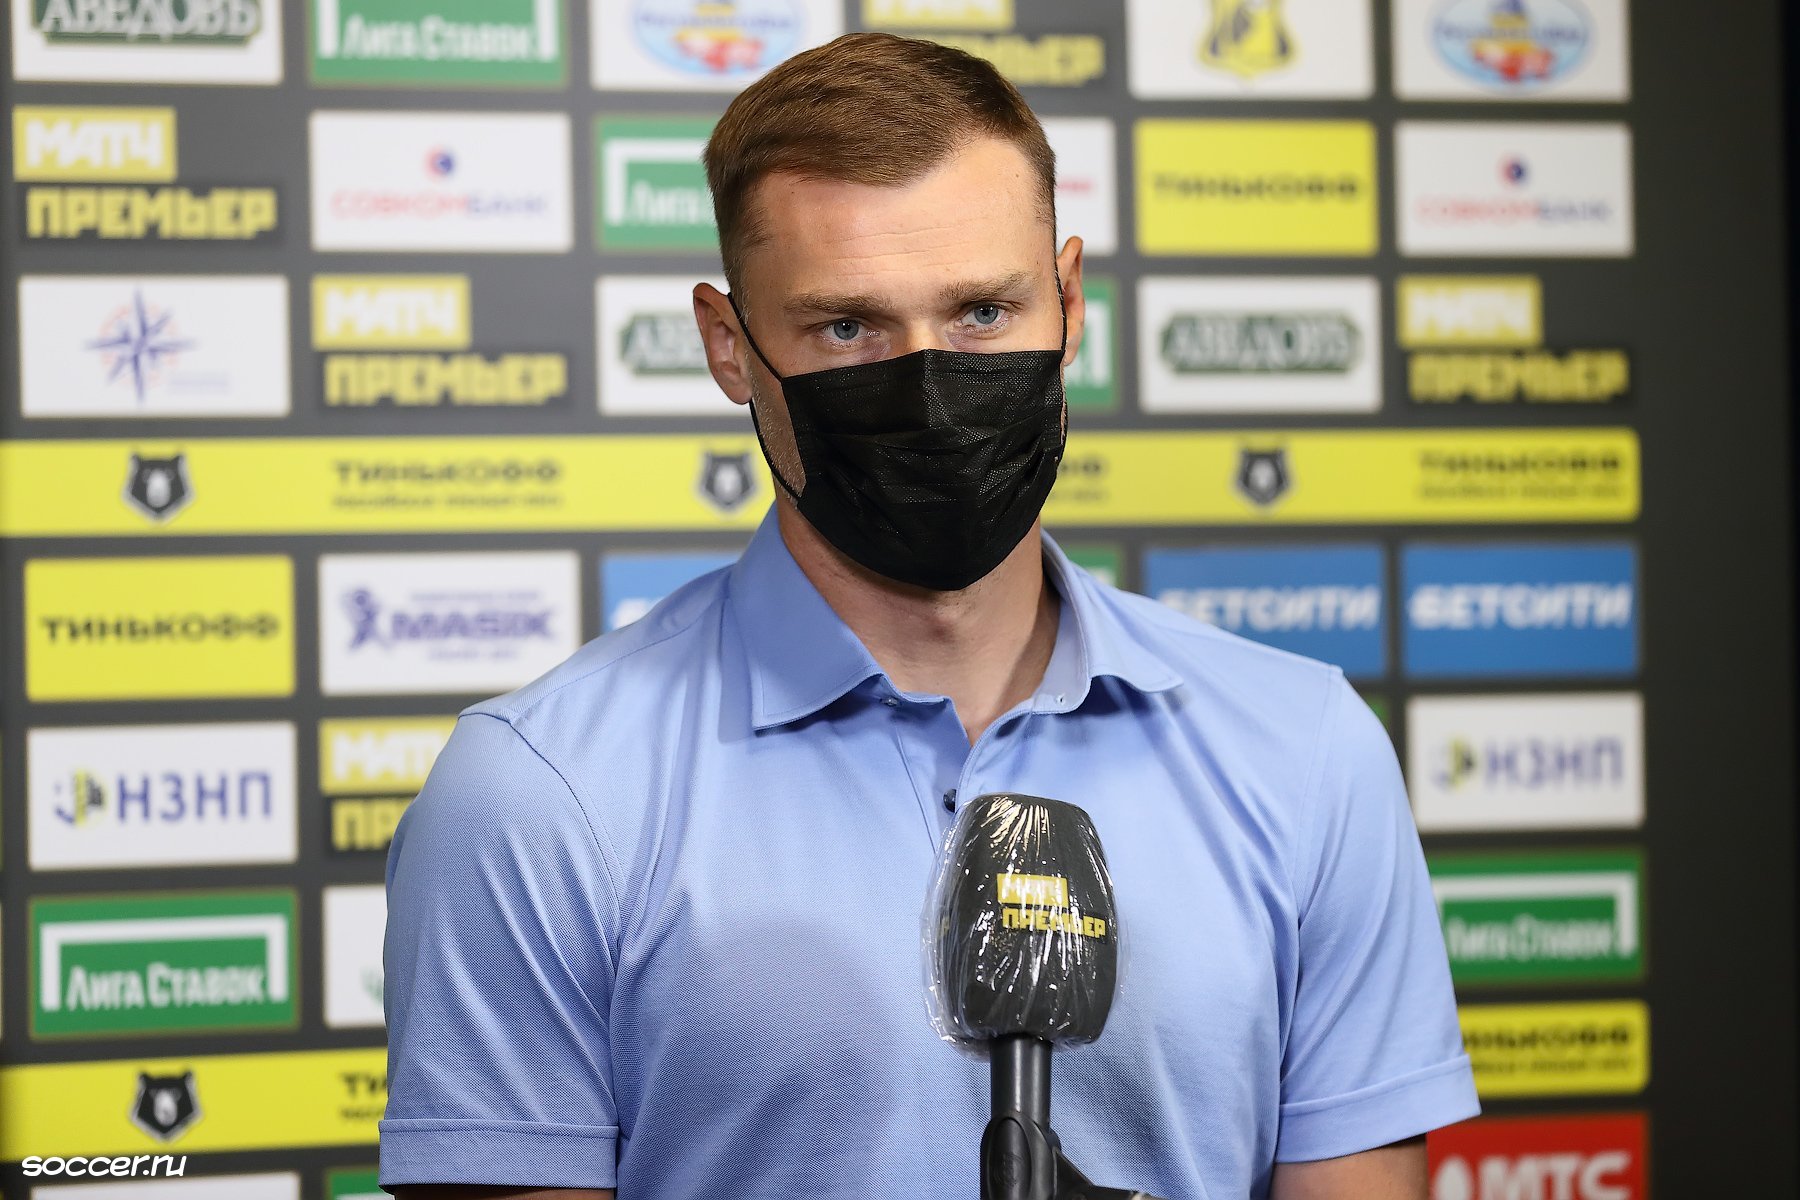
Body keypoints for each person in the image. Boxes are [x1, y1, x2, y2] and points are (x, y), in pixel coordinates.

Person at [378, 32, 1477, 1200]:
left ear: (1069, 302)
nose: (932, 389)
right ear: (729, 348)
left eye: (983, 313)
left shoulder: (1305, 750)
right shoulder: (542, 796)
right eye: (847, 328)